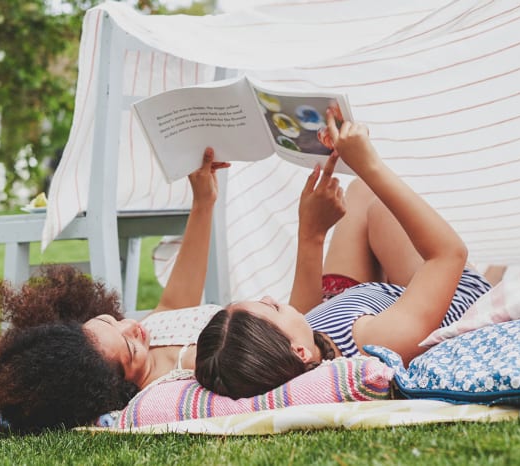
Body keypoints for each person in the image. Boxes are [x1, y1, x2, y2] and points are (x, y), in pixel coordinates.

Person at [193, 111, 492, 399]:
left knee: (359, 195)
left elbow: (306, 311)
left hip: (369, 300)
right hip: (455, 288)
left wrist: (311, 231)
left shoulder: (305, 348)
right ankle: (496, 275)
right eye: (270, 308)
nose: (271, 298)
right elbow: (448, 254)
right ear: (299, 351)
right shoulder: (376, 342)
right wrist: (368, 164)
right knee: (374, 203)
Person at [0, 149, 231, 431]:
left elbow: (175, 304)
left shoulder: (146, 338)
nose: (133, 326)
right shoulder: (179, 377)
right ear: (119, 389)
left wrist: (203, 201)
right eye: (130, 349)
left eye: (112, 322)